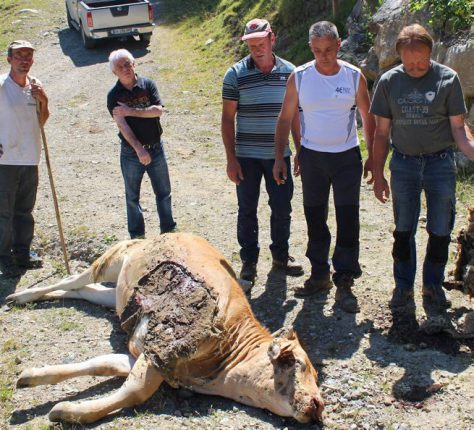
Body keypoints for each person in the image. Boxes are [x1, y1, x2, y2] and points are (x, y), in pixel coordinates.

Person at [370, 24, 474, 316]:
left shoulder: (447, 79)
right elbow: (381, 133)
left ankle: (433, 285)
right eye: (409, 61)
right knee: (404, 229)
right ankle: (403, 288)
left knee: (441, 228)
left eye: (421, 60)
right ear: (399, 55)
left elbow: (459, 130)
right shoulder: (389, 82)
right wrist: (378, 174)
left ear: (432, 51)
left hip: (440, 164)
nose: (415, 67)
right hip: (403, 164)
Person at [274, 21, 375, 313]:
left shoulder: (354, 77)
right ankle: (319, 275)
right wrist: (281, 156)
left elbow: (368, 119)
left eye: (329, 49)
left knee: (348, 218)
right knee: (315, 217)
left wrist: (373, 158)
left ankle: (344, 281)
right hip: (313, 158)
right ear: (311, 49)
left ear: (339, 45)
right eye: (318, 51)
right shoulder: (300, 77)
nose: (324, 56)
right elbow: (284, 119)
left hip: (346, 157)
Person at [221, 18, 304, 290]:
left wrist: (299, 150)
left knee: (282, 208)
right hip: (247, 155)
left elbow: (294, 117)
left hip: (279, 155)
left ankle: (280, 256)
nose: (256, 49)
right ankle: (249, 260)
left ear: (272, 39)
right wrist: (231, 159)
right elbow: (227, 119)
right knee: (247, 209)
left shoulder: (291, 72)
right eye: (251, 45)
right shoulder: (235, 74)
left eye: (260, 43)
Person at [107, 49, 176, 239]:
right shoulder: (113, 95)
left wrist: (129, 110)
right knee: (132, 197)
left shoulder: (148, 85)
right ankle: (137, 237)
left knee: (164, 192)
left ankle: (168, 231)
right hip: (131, 152)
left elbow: (158, 111)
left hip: (156, 147)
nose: (125, 69)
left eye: (128, 64)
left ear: (134, 64)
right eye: (120, 67)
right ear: (114, 72)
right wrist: (138, 149)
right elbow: (122, 125)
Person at [0, 40, 49, 278]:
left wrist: (44, 99)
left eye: (28, 55)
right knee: (3, 211)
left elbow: (41, 120)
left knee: (24, 210)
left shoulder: (36, 86)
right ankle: (3, 258)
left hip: (31, 157)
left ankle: (22, 253)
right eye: (19, 55)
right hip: (5, 159)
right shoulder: (1, 85)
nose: (24, 59)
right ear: (9, 59)